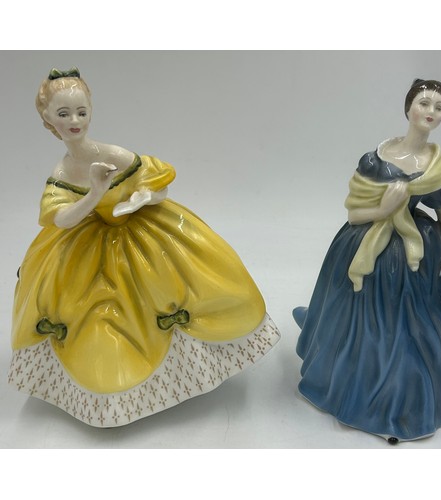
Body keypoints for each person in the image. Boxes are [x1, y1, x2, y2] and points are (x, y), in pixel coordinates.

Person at [9, 68, 280, 427]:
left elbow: (158, 184)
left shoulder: (112, 154)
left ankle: (187, 369)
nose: (74, 121)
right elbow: (61, 219)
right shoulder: (62, 172)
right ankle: (113, 391)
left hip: (141, 233)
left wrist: (142, 198)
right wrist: (95, 193)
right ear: (48, 119)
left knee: (182, 283)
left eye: (81, 112)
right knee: (98, 315)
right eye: (64, 114)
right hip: (88, 246)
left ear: (90, 111)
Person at [293, 79, 441, 442]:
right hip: (366, 242)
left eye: (439, 107)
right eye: (424, 103)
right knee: (362, 319)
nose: (430, 111)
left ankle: (409, 388)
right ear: (408, 107)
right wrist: (383, 209)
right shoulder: (375, 159)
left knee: (417, 324)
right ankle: (356, 379)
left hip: (418, 252)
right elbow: (354, 215)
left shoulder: (437, 167)